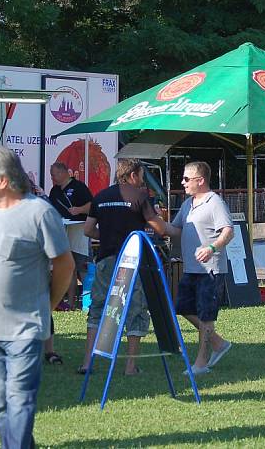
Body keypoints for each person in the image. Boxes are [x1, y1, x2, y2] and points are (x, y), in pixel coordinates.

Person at [0, 146, 74, 448]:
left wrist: (47, 306)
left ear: (2, 180)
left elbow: (64, 265)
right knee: (1, 405)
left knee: (20, 401)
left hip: (23, 329)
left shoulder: (39, 212)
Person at [79, 158, 169, 375]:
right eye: (141, 176)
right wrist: (176, 230)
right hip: (132, 261)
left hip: (106, 259)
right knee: (135, 309)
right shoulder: (140, 196)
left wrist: (108, 235)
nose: (141, 181)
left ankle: (87, 363)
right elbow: (159, 228)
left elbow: (88, 230)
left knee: (98, 308)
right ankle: (130, 366)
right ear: (132, 175)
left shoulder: (100, 197)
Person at [165, 161, 234, 376]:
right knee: (182, 307)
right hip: (191, 269)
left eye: (187, 179)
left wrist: (212, 247)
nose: (182, 182)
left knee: (206, 316)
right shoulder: (188, 204)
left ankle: (201, 364)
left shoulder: (215, 202)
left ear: (200, 180)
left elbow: (228, 231)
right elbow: (174, 230)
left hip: (210, 269)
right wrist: (152, 220)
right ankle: (219, 343)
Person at [48, 161, 93, 311]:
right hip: (61, 231)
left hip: (78, 232)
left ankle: (85, 300)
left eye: (54, 175)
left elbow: (92, 206)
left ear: (63, 172)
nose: (52, 178)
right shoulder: (54, 191)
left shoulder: (79, 187)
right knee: (66, 267)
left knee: (81, 266)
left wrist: (79, 209)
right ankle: (67, 302)